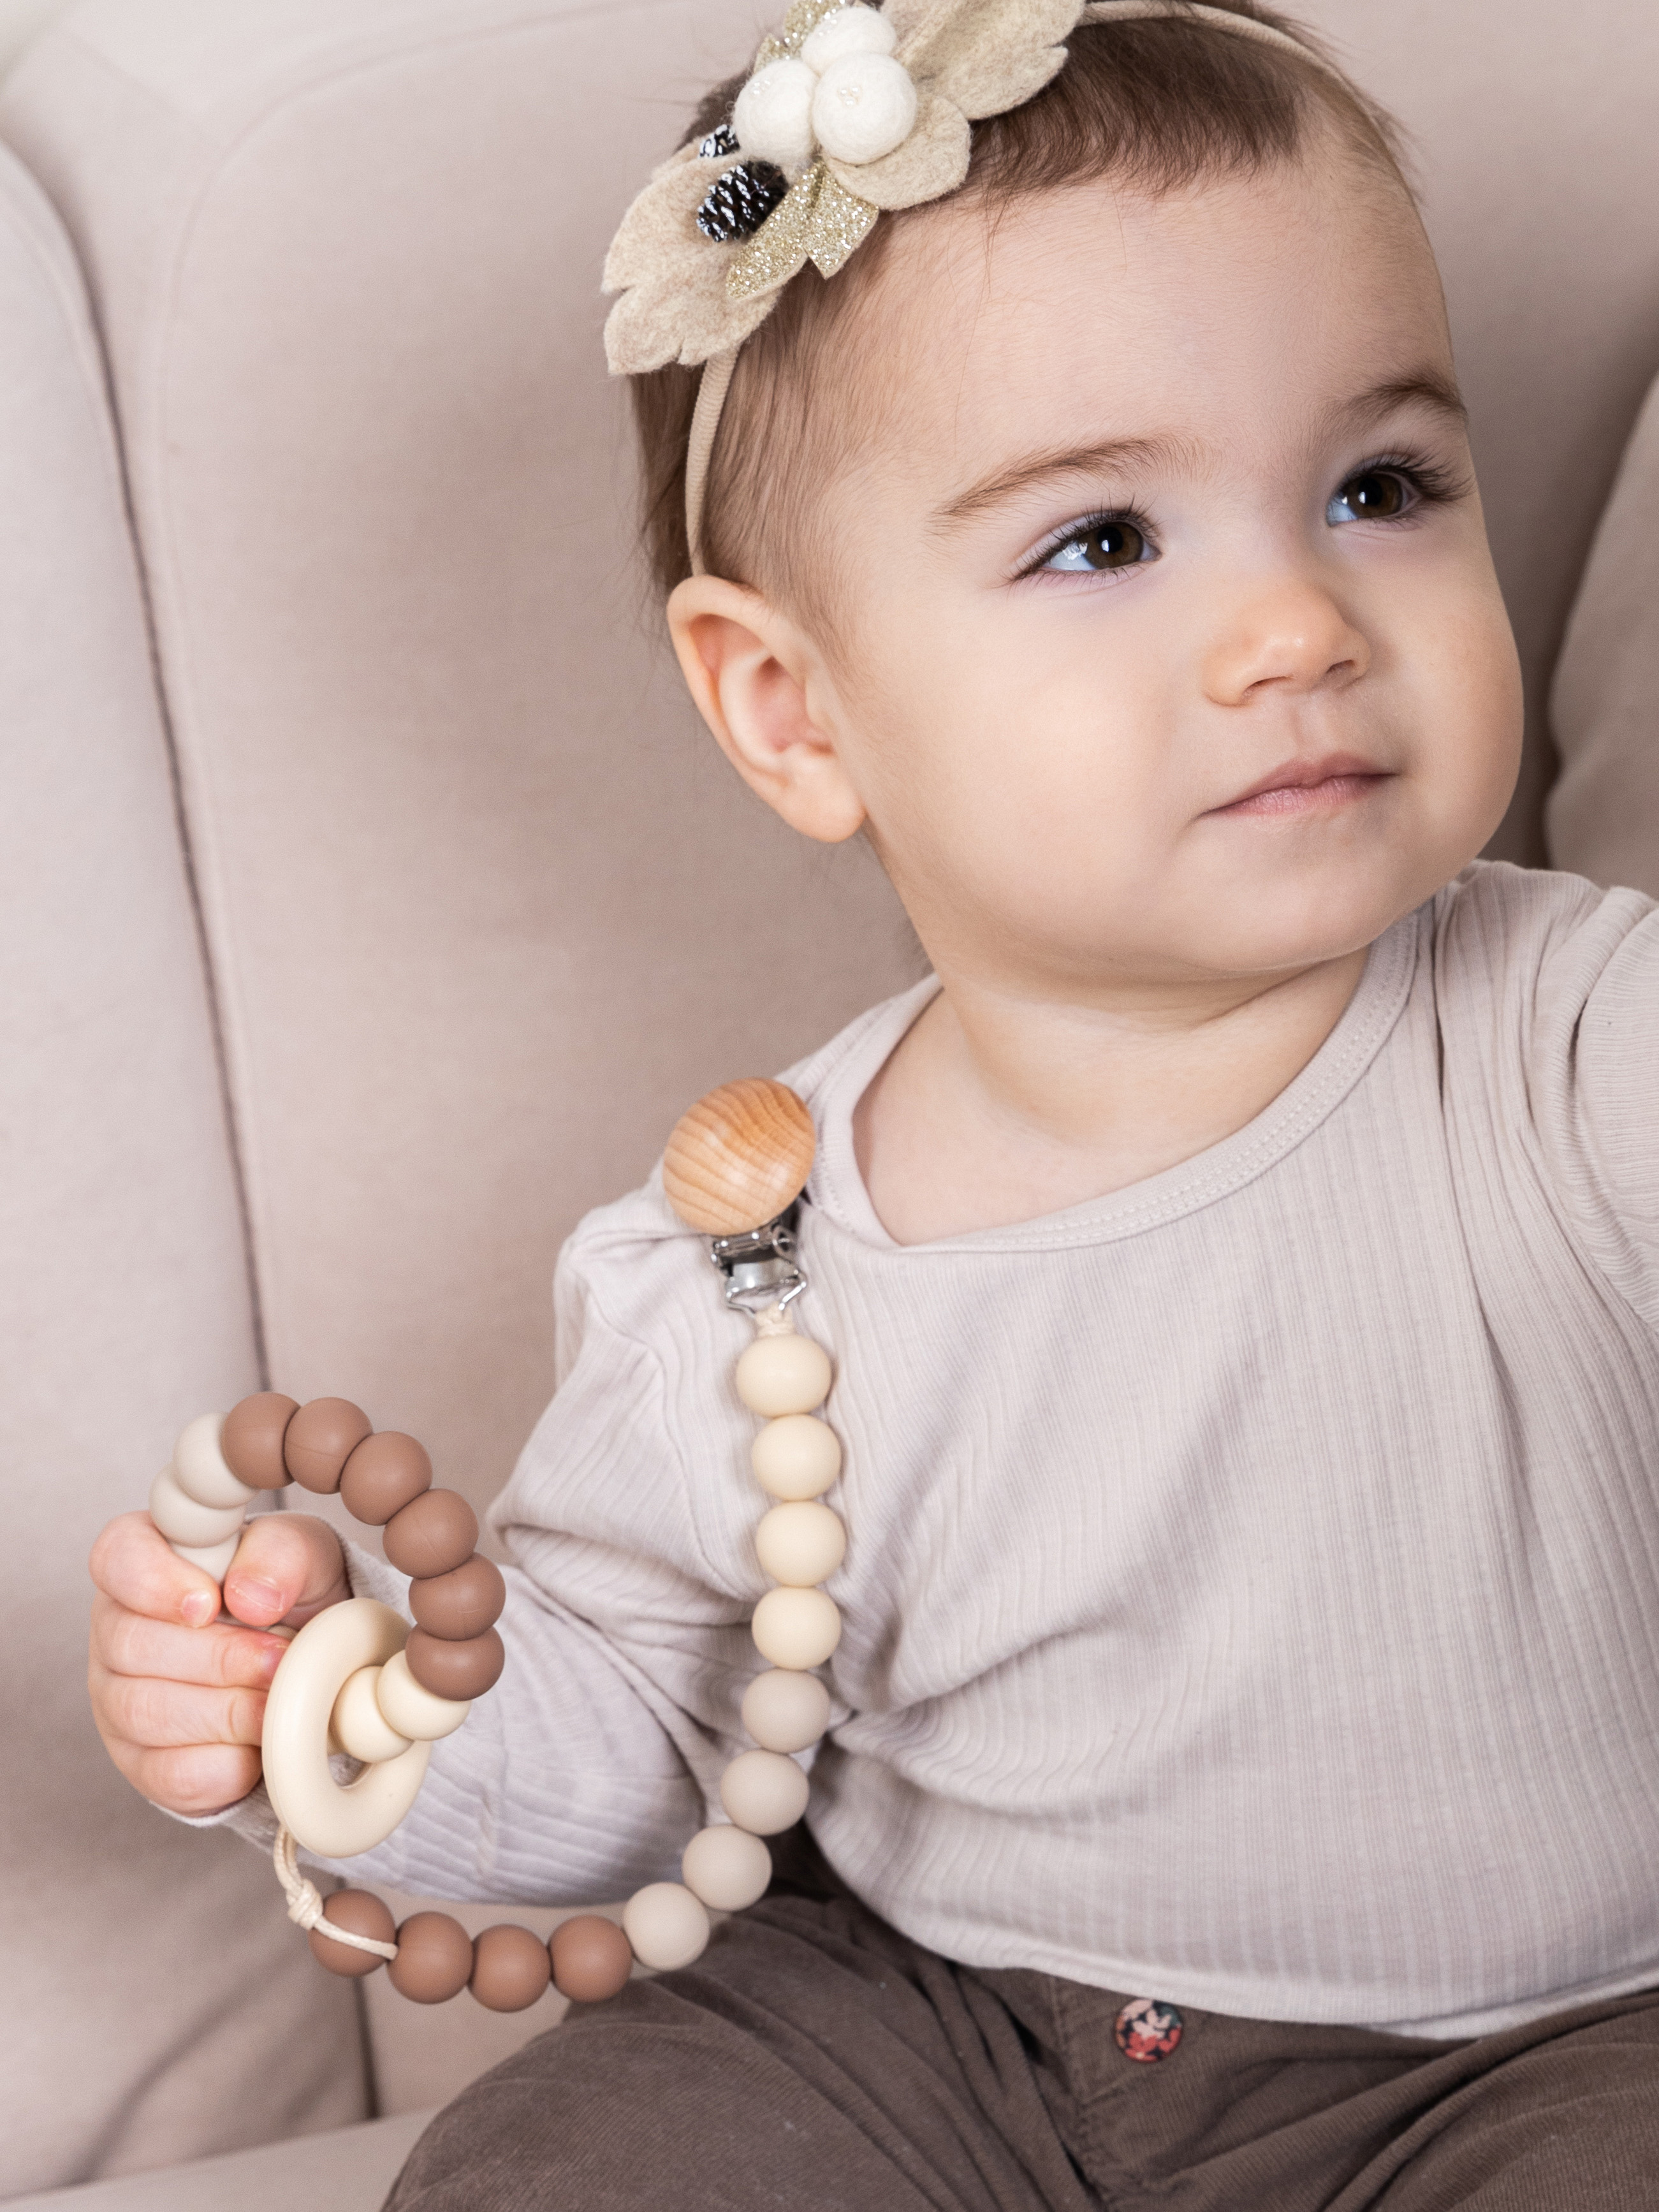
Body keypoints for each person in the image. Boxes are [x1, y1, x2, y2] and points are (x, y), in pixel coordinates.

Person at [87, 3, 1659, 2203]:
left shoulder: (1578, 1046)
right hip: (946, 2023)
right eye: (1105, 540)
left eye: (1376, 489)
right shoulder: (744, 1252)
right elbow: (637, 1755)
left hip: (1562, 2037)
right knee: (577, 2157)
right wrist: (341, 1714)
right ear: (792, 709)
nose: (1295, 622)